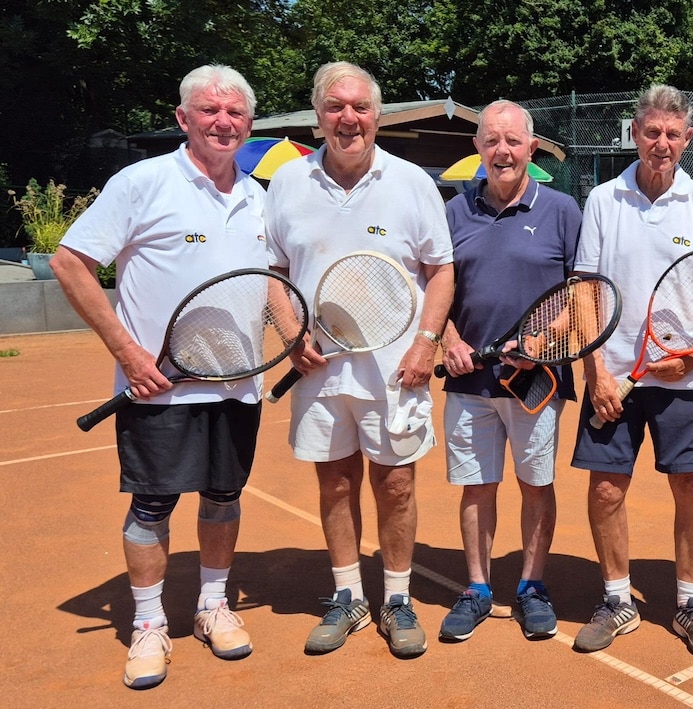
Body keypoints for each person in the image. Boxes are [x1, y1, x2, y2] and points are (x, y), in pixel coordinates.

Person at [50, 65, 266, 689]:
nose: (223, 122)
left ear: (247, 125)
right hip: (158, 387)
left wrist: (297, 336)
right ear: (184, 119)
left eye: (235, 114)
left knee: (224, 498)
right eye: (209, 111)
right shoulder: (142, 182)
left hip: (238, 385)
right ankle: (148, 623)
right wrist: (130, 352)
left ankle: (211, 606)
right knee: (153, 504)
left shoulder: (259, 196)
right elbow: (69, 263)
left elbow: (269, 281)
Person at [264, 61, 454, 660]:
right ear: (319, 116)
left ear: (377, 115)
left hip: (398, 367)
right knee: (335, 480)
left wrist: (427, 341)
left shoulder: (412, 183)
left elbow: (441, 268)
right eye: (336, 107)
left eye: (361, 107)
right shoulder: (287, 184)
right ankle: (347, 595)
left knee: (395, 483)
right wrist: (292, 333)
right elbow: (273, 270)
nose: (349, 118)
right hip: (319, 368)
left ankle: (396, 597)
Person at [570, 85, 693, 660]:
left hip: (686, 379)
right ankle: (617, 600)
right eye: (651, 132)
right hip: (613, 376)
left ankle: (691, 602)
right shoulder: (602, 200)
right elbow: (585, 288)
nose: (661, 144)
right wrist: (595, 370)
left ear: (687, 139)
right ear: (634, 134)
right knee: (607, 487)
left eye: (672, 134)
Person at [436, 100, 582, 642]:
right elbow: (438, 289)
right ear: (478, 147)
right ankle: (477, 588)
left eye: (513, 141)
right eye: (491, 140)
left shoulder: (563, 210)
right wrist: (448, 340)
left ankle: (531, 586)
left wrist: (542, 341)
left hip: (536, 384)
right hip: (469, 382)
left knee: (536, 484)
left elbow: (580, 294)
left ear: (532, 147)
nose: (502, 151)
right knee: (477, 488)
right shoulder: (453, 212)